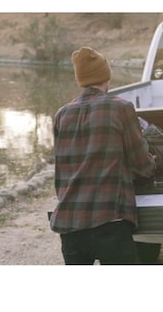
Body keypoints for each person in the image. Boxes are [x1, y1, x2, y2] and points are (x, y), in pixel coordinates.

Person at [49, 46, 156, 264]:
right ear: (106, 76)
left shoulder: (62, 114)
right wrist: (155, 163)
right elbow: (141, 164)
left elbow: (61, 171)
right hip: (110, 222)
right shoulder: (120, 108)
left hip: (70, 225)